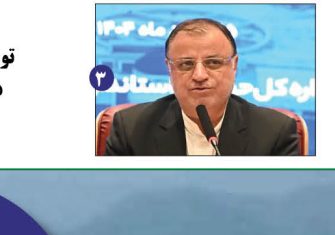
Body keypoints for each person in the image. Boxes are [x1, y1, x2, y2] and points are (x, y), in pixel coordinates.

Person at [101, 18, 302, 157]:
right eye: (186, 64)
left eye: (213, 63)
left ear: (234, 65)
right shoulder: (131, 129)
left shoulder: (275, 132)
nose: (199, 75)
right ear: (169, 69)